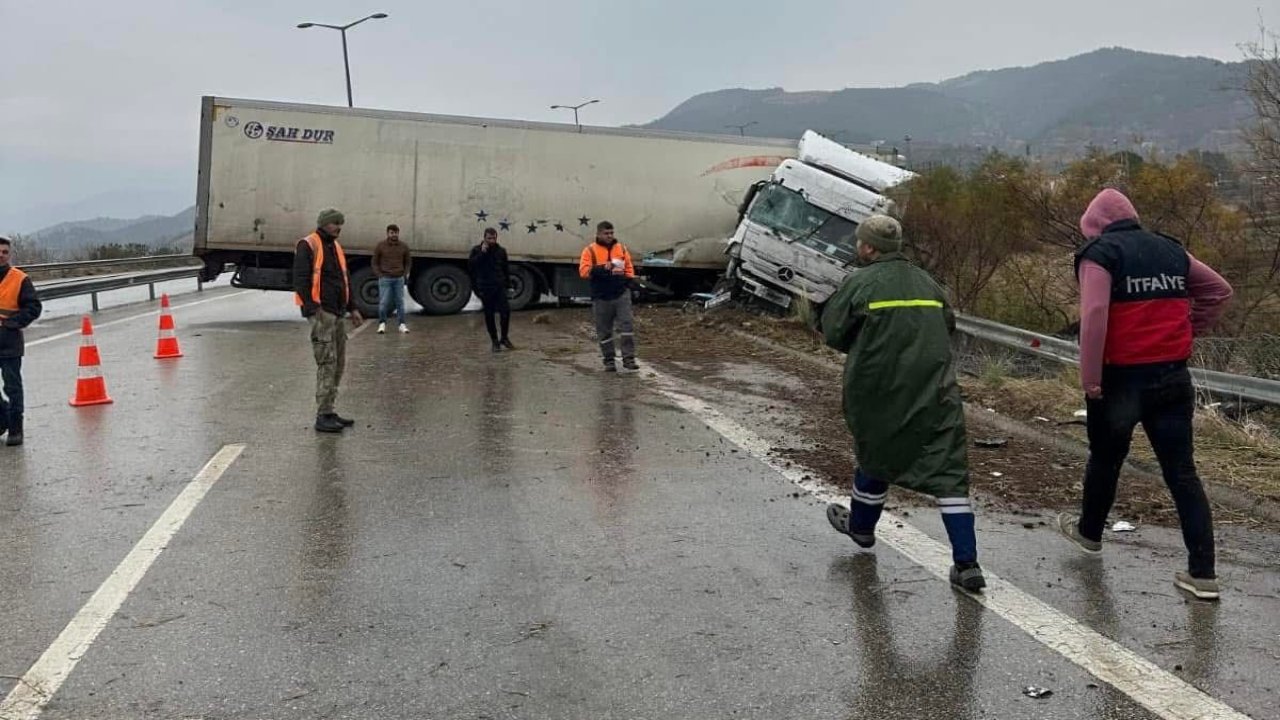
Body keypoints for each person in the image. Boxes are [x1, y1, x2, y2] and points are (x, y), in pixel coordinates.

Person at [1058, 188, 1233, 601]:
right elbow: (1218, 290)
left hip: (1120, 381)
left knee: (1106, 459)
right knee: (1182, 473)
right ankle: (1202, 574)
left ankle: (1089, 534)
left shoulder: (1100, 254)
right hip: (1172, 378)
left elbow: (1095, 314)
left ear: (1095, 224)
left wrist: (1090, 377)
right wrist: (1191, 329)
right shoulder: (1171, 250)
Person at [820, 215, 985, 592]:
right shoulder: (929, 283)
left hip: (879, 390)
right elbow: (948, 326)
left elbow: (833, 332)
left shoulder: (859, 284)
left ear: (867, 247)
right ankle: (967, 563)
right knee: (949, 473)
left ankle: (862, 528)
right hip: (935, 392)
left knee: (876, 454)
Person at [293, 209, 364, 434]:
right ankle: (322, 415)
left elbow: (344, 280)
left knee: (338, 363)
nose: (339, 227)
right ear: (324, 224)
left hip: (337, 311)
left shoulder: (336, 246)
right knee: (327, 363)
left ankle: (330, 410)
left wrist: (353, 307)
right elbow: (300, 279)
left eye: (340, 223)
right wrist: (314, 309)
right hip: (322, 313)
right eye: (335, 223)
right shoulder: (309, 245)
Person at [0, 235, 42, 447]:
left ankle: (15, 428)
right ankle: (2, 419)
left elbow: (34, 307)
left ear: (9, 254)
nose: (1, 255)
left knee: (12, 387)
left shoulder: (20, 279)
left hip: (9, 343)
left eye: (5, 252)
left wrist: (12, 323)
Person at [578, 221, 637, 372]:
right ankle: (609, 360)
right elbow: (584, 272)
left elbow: (629, 267)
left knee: (627, 326)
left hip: (621, 294)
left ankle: (628, 359)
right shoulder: (589, 250)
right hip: (601, 297)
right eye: (606, 233)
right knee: (604, 331)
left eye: (611, 233)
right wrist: (603, 268)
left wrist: (628, 283)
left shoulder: (621, 249)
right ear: (598, 234)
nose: (610, 236)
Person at [468, 227, 515, 352]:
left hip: (499, 287)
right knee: (489, 315)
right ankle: (494, 341)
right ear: (484, 238)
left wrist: (509, 285)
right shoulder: (476, 250)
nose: (491, 241)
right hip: (485, 287)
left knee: (505, 312)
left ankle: (504, 337)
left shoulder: (501, 251)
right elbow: (472, 265)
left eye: (493, 238)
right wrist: (482, 253)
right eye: (489, 238)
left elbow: (505, 269)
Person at [373, 223, 411, 334]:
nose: (394, 235)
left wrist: (404, 274)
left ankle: (402, 324)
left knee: (400, 302)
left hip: (399, 278)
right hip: (385, 278)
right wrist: (379, 274)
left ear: (398, 233)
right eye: (392, 233)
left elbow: (408, 262)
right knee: (384, 302)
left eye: (396, 233)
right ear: (388, 233)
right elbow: (374, 262)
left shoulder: (404, 246)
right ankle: (382, 323)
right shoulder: (381, 246)